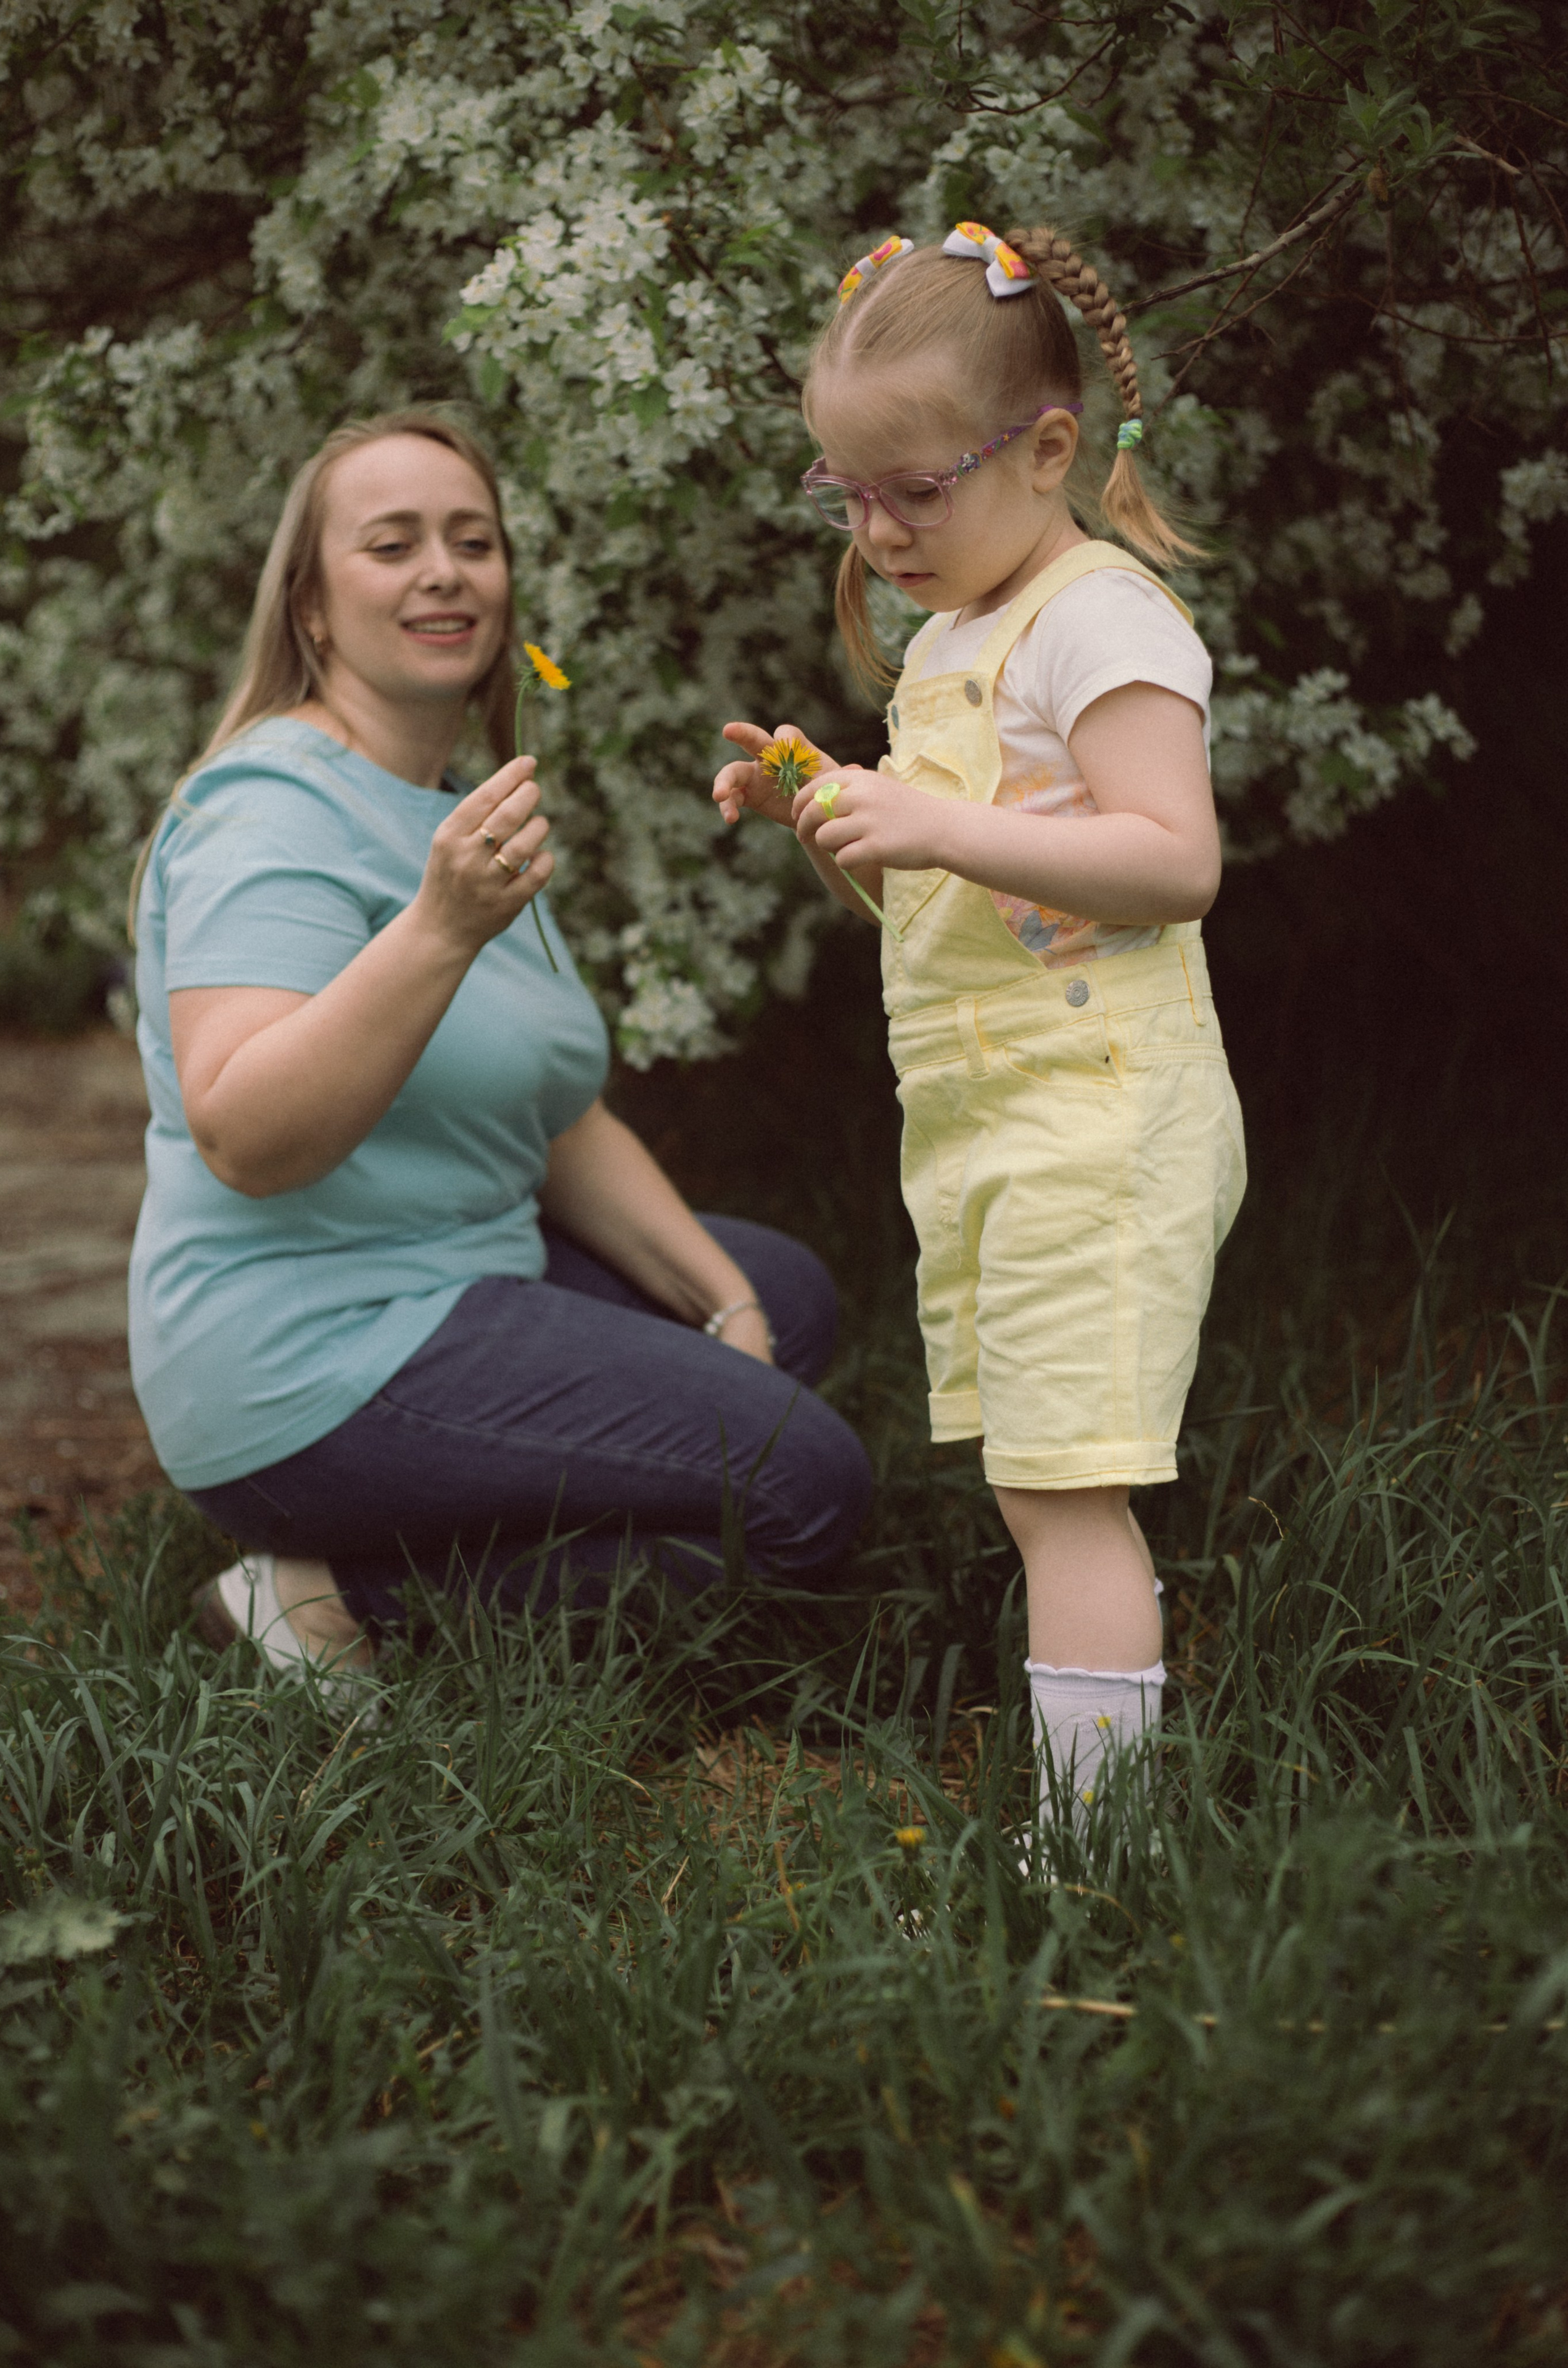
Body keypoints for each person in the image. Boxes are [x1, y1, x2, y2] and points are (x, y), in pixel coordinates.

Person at [128, 409, 871, 1692]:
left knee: (781, 1295)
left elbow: (556, 1112)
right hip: (307, 1352)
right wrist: (438, 930)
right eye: (393, 545)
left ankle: (456, 1507)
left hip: (459, 1277)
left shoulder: (446, 806)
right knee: (806, 1490)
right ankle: (323, 1598)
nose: (445, 573)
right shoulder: (272, 811)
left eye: (473, 543)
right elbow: (244, 1135)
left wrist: (725, 1306)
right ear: (311, 609)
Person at [713, 224, 1246, 1832]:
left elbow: (1174, 862)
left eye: (913, 491)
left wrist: (935, 822)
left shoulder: (1100, 618)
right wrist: (839, 818)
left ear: (1048, 451)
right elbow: (969, 904)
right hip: (998, 1117)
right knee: (1039, 1482)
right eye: (846, 495)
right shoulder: (953, 639)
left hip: (1101, 1111)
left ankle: (1098, 1849)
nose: (878, 532)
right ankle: (1098, 1808)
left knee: (1061, 1490)